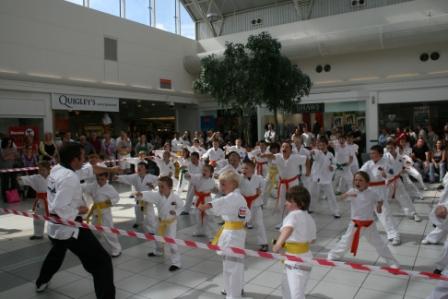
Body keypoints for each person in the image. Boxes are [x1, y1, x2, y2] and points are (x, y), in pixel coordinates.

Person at [35, 142, 115, 298]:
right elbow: (59, 206)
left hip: (55, 227)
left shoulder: (58, 169)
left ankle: (41, 281)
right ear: (74, 160)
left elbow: (87, 170)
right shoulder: (69, 178)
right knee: (102, 262)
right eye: (82, 157)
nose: (84, 160)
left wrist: (111, 169)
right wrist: (80, 209)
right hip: (70, 227)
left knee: (56, 254)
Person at [327, 171, 399, 267]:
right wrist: (347, 195)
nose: (358, 182)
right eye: (356, 180)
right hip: (355, 224)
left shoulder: (372, 193)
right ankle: (333, 255)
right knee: (346, 241)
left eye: (361, 180)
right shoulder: (352, 191)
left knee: (379, 244)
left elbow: (380, 200)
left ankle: (392, 262)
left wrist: (379, 207)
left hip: (369, 225)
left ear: (367, 183)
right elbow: (341, 198)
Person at [198, 171, 250, 299]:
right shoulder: (234, 196)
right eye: (220, 183)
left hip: (234, 234)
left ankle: (234, 295)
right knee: (228, 263)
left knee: (233, 266)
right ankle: (230, 289)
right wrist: (209, 206)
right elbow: (222, 206)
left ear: (233, 184)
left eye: (223, 184)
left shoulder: (235, 197)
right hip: (231, 232)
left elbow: (221, 202)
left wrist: (208, 205)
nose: (221, 186)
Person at [272, 185, 316, 299]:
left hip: (295, 259)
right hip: (305, 256)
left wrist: (278, 244)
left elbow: (288, 229)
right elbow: (312, 240)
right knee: (291, 286)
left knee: (295, 291)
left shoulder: (293, 215)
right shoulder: (309, 218)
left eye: (289, 201)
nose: (286, 203)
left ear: (299, 203)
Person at [138, 176, 184, 271]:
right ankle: (158, 251)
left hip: (171, 223)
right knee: (158, 238)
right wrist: (140, 194)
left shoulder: (175, 197)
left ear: (170, 188)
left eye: (162, 187)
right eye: (159, 186)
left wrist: (176, 212)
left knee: (171, 242)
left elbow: (181, 207)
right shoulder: (157, 195)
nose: (160, 189)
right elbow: (148, 194)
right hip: (160, 221)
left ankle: (176, 262)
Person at [360, 145, 401, 246]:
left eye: (374, 153)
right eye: (371, 153)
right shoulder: (368, 164)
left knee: (384, 213)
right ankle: (355, 232)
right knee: (362, 211)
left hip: (379, 190)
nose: (371, 155)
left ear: (380, 154)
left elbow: (393, 174)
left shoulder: (386, 163)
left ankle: (394, 235)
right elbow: (360, 173)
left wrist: (385, 175)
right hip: (368, 190)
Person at [83, 172, 122, 257]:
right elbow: (84, 189)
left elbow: (117, 198)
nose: (100, 181)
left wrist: (109, 202)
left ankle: (116, 249)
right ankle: (98, 249)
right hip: (95, 211)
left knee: (109, 232)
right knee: (95, 231)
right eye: (98, 179)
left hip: (105, 213)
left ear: (106, 178)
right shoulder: (93, 185)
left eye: (102, 179)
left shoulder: (109, 188)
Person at [384, 141, 422, 222]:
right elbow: (382, 168)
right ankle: (377, 213)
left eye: (391, 148)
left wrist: (404, 170)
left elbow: (407, 165)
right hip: (387, 181)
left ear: (395, 147)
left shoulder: (400, 157)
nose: (389, 150)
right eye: (388, 148)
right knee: (381, 198)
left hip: (397, 180)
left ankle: (413, 213)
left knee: (404, 196)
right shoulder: (385, 157)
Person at [114, 162, 158, 231]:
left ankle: (152, 229)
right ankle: (139, 222)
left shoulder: (151, 177)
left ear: (146, 169)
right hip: (138, 199)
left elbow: (159, 180)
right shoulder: (134, 176)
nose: (139, 168)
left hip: (148, 200)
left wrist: (153, 185)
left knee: (150, 215)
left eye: (141, 167)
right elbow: (126, 177)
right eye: (138, 167)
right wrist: (117, 177)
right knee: (138, 211)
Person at [17, 161, 51, 240]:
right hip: (40, 200)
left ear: (48, 170)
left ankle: (53, 236)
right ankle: (38, 234)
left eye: (43, 170)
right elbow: (28, 178)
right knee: (37, 217)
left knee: (52, 219)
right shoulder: (36, 177)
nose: (41, 172)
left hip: (51, 200)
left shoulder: (54, 177)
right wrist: (20, 178)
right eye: (39, 170)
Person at [240, 160, 268, 252]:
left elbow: (264, 186)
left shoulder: (258, 178)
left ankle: (263, 243)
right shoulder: (239, 178)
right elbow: (235, 188)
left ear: (253, 169)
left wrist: (261, 191)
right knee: (241, 223)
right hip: (243, 205)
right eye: (243, 168)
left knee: (259, 223)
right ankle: (240, 240)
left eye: (246, 168)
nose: (244, 170)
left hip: (256, 204)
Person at [309, 137, 341, 217]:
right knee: (313, 194)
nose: (321, 147)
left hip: (326, 178)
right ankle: (311, 208)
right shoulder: (317, 152)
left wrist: (332, 167)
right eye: (320, 145)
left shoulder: (330, 154)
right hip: (316, 177)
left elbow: (334, 164)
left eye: (323, 145)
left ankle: (335, 211)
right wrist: (312, 152)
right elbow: (314, 154)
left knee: (331, 195)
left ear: (327, 145)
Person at [187, 164, 218, 240]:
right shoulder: (198, 177)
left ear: (211, 173)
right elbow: (190, 177)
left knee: (209, 217)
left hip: (207, 199)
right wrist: (187, 174)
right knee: (197, 216)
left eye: (206, 171)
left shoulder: (212, 181)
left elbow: (216, 190)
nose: (204, 172)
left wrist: (217, 190)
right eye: (203, 170)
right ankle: (199, 231)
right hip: (198, 199)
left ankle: (212, 235)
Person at [0, 137, 19, 202]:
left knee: (14, 181)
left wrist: (9, 156)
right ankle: (5, 197)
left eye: (10, 143)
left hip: (12, 168)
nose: (9, 144)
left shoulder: (13, 148)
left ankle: (13, 196)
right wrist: (11, 155)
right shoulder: (2, 149)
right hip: (4, 168)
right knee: (5, 183)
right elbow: (4, 158)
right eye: (8, 143)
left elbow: (17, 156)